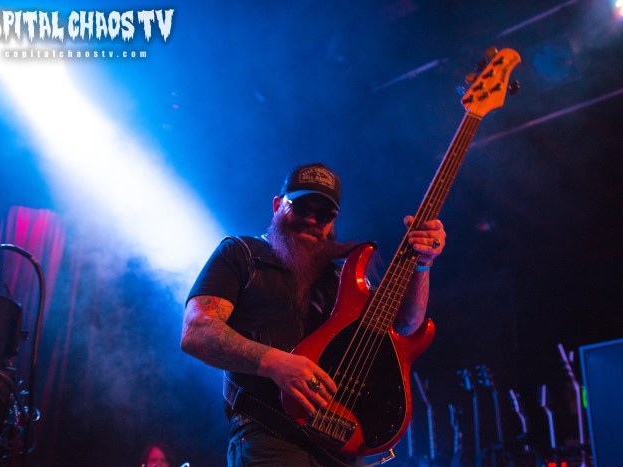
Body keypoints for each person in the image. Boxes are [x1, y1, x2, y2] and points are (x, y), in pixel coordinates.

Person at [181, 163, 446, 466]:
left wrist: (422, 263)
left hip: (343, 448)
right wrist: (275, 363)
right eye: (302, 206)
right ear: (278, 205)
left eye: (323, 214)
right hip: (271, 438)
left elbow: (405, 326)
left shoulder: (344, 279)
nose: (311, 219)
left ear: (333, 222)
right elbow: (197, 331)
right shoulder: (242, 253)